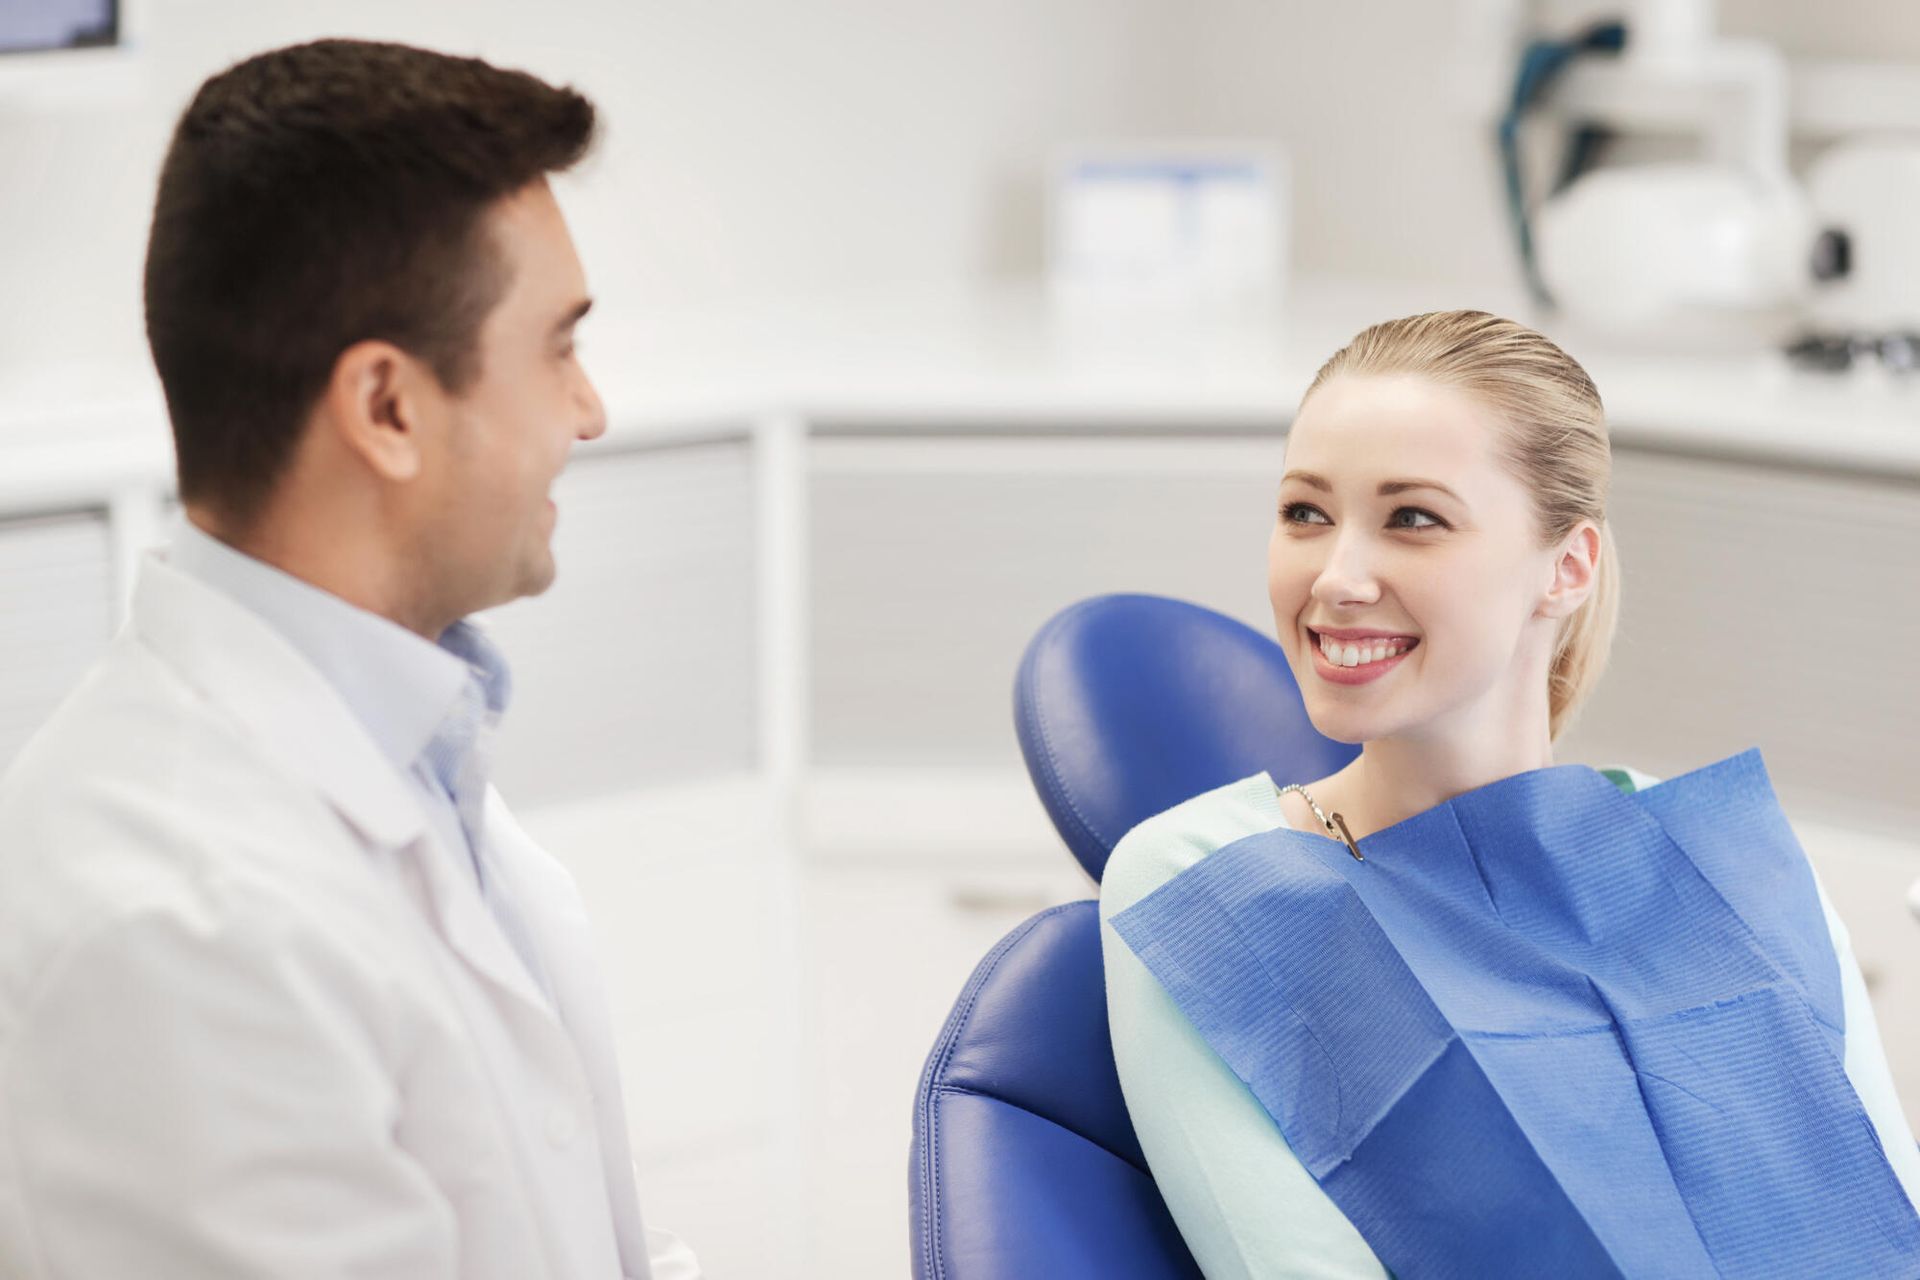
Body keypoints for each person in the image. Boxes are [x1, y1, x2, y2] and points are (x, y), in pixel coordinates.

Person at [0, 39, 699, 1279]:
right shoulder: (177, 928)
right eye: (558, 346)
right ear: (386, 408)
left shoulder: (397, 747)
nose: (589, 411)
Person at [1099, 310, 1920, 1277]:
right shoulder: (1207, 885)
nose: (1337, 577)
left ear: (1566, 568)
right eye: (1305, 514)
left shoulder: (1716, 865)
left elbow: (1882, 1226)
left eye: (1413, 518)